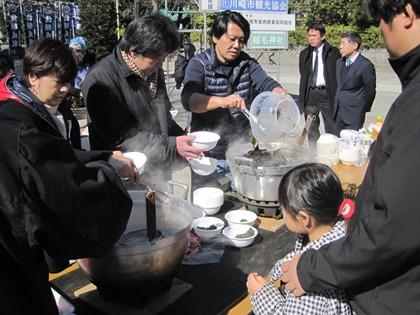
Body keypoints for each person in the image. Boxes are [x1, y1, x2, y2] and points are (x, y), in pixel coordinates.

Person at [281, 1, 420, 314]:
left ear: (407, 14)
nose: (382, 31)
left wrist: (311, 269)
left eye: (382, 22)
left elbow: (394, 226)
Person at [0, 38, 135, 315]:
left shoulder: (35, 105)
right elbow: (61, 186)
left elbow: (62, 154)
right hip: (11, 248)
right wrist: (109, 180)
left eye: (69, 81)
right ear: (33, 76)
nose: (65, 89)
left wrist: (105, 157)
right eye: (58, 81)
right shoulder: (16, 122)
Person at [83, 14, 202, 184]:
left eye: (164, 57)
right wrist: (174, 145)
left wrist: (184, 139)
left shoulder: (151, 70)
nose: (161, 64)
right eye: (158, 57)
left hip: (158, 167)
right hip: (124, 175)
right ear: (133, 52)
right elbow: (124, 139)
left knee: (162, 208)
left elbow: (163, 117)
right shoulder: (101, 80)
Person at [181, 10, 287, 185]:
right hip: (207, 154)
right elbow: (189, 99)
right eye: (232, 39)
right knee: (208, 202)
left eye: (241, 40)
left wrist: (281, 96)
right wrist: (221, 101)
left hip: (241, 151)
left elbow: (266, 83)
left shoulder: (247, 63)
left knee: (238, 204)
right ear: (215, 37)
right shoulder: (199, 64)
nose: (237, 45)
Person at [247, 163, 355, 315]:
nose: (282, 212)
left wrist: (261, 294)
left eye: (283, 208)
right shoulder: (347, 236)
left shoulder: (310, 280)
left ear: (304, 218)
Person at [299, 23, 341, 145]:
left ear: (323, 36)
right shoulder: (304, 54)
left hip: (327, 93)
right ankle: (313, 154)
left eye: (314, 35)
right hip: (311, 94)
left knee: (331, 126)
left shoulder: (333, 53)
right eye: (309, 35)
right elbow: (303, 73)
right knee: (310, 126)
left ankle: (331, 151)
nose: (311, 38)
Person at [334, 32, 376, 135]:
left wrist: (361, 108)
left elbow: (370, 91)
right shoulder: (339, 62)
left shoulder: (365, 65)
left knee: (351, 147)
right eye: (340, 43)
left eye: (343, 43)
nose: (340, 46)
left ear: (354, 45)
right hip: (338, 113)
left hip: (354, 114)